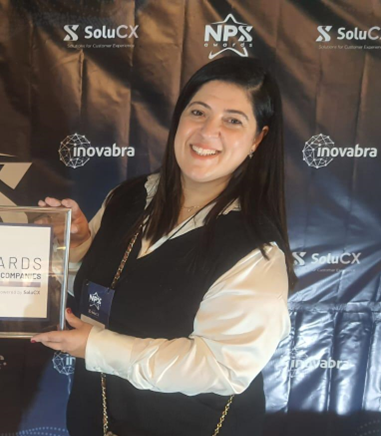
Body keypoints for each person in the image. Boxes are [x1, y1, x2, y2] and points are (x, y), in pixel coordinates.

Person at [32, 56, 296, 436]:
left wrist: (98, 347)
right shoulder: (128, 198)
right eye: (198, 112)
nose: (207, 132)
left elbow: (222, 368)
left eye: (233, 121)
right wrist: (78, 248)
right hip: (96, 418)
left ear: (258, 139)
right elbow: (98, 294)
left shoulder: (255, 249)